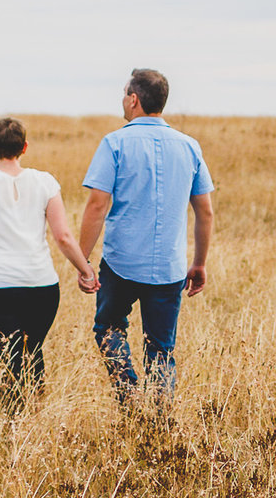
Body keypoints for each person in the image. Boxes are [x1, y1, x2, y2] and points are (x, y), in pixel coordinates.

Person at [78, 68, 215, 408]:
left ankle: (128, 396)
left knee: (108, 329)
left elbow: (97, 206)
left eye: (125, 94)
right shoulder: (189, 146)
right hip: (170, 267)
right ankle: (160, 420)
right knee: (161, 348)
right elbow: (205, 212)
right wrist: (198, 263)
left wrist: (83, 262)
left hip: (121, 262)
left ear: (134, 99)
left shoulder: (114, 142)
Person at [0, 116, 98, 414]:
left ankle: (14, 422)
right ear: (25, 147)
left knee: (6, 360)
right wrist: (85, 269)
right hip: (43, 287)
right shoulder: (45, 182)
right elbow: (63, 236)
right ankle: (37, 413)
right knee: (32, 350)